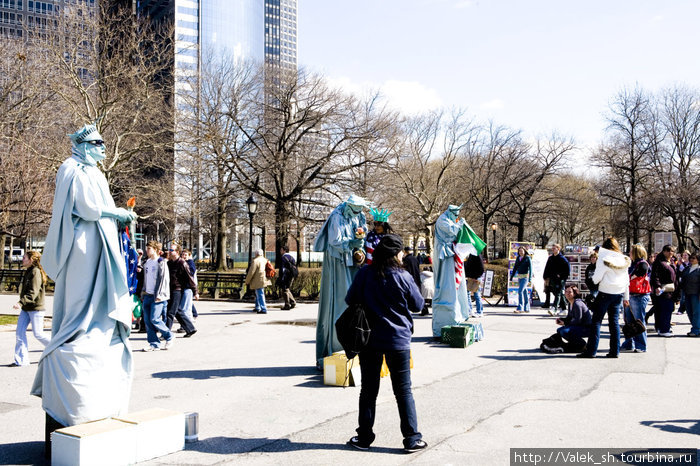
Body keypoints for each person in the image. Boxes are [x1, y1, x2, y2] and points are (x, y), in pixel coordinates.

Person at [32, 124, 136, 450]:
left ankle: (95, 329)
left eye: (104, 143)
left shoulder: (94, 171)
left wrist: (117, 217)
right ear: (84, 145)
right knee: (79, 295)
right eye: (98, 143)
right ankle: (74, 333)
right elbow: (88, 209)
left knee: (100, 292)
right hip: (82, 244)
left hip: (99, 241)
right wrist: (117, 212)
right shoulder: (71, 168)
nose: (104, 148)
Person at [344, 234, 427, 453]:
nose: (403, 256)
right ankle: (411, 438)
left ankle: (363, 438)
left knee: (369, 391)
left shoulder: (365, 274)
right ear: (395, 254)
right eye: (401, 252)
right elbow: (418, 305)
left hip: (369, 339)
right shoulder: (403, 276)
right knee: (403, 391)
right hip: (398, 340)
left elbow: (350, 299)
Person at [314, 195, 369, 366]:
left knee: (356, 302)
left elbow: (361, 235)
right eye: (356, 209)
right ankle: (336, 348)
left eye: (361, 209)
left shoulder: (359, 216)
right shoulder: (337, 216)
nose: (358, 212)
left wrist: (360, 248)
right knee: (340, 302)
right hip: (338, 261)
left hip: (352, 261)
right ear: (349, 206)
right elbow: (335, 241)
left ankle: (354, 347)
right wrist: (352, 243)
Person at [578, 237, 630, 358]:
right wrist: (626, 297)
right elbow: (627, 281)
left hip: (605, 292)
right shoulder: (624, 259)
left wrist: (590, 281)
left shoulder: (603, 258)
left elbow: (596, 278)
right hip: (619, 293)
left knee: (596, 322)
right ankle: (615, 351)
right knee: (614, 322)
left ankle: (591, 351)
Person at [432, 205, 469, 337]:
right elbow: (452, 231)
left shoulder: (449, 219)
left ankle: (460, 313)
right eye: (456, 214)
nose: (457, 217)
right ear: (451, 212)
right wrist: (460, 225)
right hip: (445, 254)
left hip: (452, 253)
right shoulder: (442, 220)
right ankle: (449, 313)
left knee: (455, 283)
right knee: (447, 283)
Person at [11, 251, 50, 367]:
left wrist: (20, 302)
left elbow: (33, 292)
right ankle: (22, 361)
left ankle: (58, 347)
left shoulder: (36, 272)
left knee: (38, 334)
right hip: (26, 308)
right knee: (19, 333)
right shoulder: (29, 271)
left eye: (24, 258)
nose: (22, 260)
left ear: (31, 260)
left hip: (36, 308)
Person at [140, 241, 174, 352]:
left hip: (158, 296)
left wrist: (159, 294)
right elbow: (145, 279)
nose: (147, 250)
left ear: (155, 249)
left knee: (154, 319)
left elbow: (164, 279)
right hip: (147, 295)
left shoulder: (161, 262)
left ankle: (169, 336)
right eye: (147, 248)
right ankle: (154, 343)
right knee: (147, 321)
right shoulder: (147, 262)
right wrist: (143, 292)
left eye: (149, 248)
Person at [541, 285, 591, 354]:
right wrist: (561, 320)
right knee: (559, 330)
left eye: (570, 292)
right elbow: (569, 317)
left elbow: (578, 320)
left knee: (564, 331)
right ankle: (575, 344)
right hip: (579, 326)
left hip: (586, 328)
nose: (567, 293)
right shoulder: (570, 303)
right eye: (566, 291)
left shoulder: (577, 303)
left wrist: (565, 323)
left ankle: (582, 345)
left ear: (575, 293)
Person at [621, 244, 651, 353]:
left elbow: (642, 270)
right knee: (628, 321)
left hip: (639, 295)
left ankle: (641, 345)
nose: (629, 253)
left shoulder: (642, 263)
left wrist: (631, 277)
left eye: (631, 251)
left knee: (638, 320)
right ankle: (629, 343)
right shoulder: (632, 264)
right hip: (630, 294)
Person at [166, 243, 198, 337]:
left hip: (178, 290)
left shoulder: (182, 263)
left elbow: (190, 278)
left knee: (170, 312)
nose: (169, 251)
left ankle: (166, 334)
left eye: (172, 250)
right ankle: (190, 329)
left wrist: (195, 292)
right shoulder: (169, 263)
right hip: (170, 289)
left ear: (177, 252)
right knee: (177, 311)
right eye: (169, 250)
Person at [650, 244, 677, 337]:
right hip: (663, 289)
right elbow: (655, 276)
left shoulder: (672, 261)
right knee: (665, 309)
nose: (670, 253)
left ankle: (662, 328)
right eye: (668, 251)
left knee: (666, 309)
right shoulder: (659, 262)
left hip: (671, 289)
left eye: (672, 251)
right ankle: (664, 329)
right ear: (664, 251)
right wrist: (657, 286)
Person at [542, 244, 570, 316]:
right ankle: (564, 308)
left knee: (558, 293)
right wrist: (545, 276)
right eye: (552, 248)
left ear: (558, 249)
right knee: (558, 293)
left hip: (560, 279)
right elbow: (547, 268)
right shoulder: (550, 258)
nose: (553, 249)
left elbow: (567, 269)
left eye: (554, 248)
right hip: (552, 279)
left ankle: (554, 308)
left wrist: (562, 276)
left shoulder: (562, 258)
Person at [245, 249, 272, 314]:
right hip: (264, 279)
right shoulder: (265, 260)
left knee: (260, 293)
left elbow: (251, 272)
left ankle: (263, 308)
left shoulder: (255, 261)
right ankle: (257, 307)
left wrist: (247, 281)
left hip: (257, 279)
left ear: (256, 254)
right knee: (258, 293)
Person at [681, 252, 700, 337]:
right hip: (687, 293)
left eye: (693, 258)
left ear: (698, 260)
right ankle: (697, 327)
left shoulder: (699, 269)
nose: (691, 259)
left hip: (696, 294)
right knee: (689, 312)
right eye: (690, 258)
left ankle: (695, 330)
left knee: (696, 312)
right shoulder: (687, 268)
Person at [510, 246, 532, 313]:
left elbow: (531, 268)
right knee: (524, 292)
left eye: (522, 251)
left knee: (520, 291)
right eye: (519, 251)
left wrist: (530, 278)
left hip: (525, 277)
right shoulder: (518, 258)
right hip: (519, 277)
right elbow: (515, 267)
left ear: (524, 251)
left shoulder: (527, 258)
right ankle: (527, 308)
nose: (521, 252)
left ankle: (520, 307)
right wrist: (512, 276)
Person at [278, 245, 297, 310]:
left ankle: (287, 304)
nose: (280, 251)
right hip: (291, 275)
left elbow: (282, 269)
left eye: (281, 250)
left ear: (284, 250)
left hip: (285, 276)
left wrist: (281, 277)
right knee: (287, 289)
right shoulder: (292, 257)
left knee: (285, 290)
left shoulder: (283, 258)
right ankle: (292, 302)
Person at [181, 249, 198, 319]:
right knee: (187, 303)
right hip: (183, 286)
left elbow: (191, 274)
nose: (184, 256)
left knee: (186, 306)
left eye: (186, 255)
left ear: (189, 256)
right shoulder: (183, 262)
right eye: (183, 255)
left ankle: (189, 319)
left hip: (188, 287)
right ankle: (193, 314)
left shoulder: (190, 263)